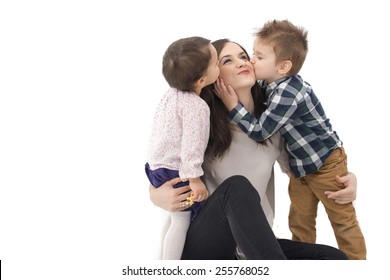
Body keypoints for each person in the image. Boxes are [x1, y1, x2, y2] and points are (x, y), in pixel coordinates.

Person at [149, 38, 358, 260]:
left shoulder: (272, 126)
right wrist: (155, 195)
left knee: (333, 258)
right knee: (237, 187)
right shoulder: (203, 122)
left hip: (250, 247)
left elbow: (309, 167)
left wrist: (345, 177)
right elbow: (163, 160)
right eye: (227, 60)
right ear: (211, 76)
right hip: (205, 244)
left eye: (244, 56)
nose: (241, 63)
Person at [216, 20, 366, 259]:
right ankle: (304, 261)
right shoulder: (267, 86)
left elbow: (260, 131)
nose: (250, 61)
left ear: (284, 66)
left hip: (326, 163)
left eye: (257, 56)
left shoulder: (288, 92)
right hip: (300, 166)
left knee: (342, 221)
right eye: (251, 54)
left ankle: (358, 267)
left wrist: (233, 106)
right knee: (300, 219)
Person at [145, 36, 220, 260]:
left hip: (156, 167)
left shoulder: (171, 95)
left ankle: (161, 263)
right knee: (181, 221)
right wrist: (194, 178)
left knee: (172, 218)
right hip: (176, 172)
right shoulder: (196, 106)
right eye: (216, 64)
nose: (218, 67)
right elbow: (192, 146)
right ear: (201, 80)